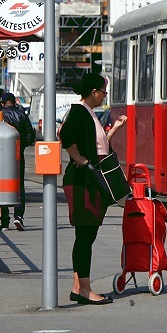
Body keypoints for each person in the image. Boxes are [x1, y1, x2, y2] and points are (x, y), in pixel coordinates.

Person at [60, 73, 127, 305]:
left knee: (85, 236)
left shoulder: (87, 112)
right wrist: (79, 160)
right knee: (86, 236)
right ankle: (85, 290)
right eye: (103, 92)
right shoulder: (80, 111)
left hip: (86, 180)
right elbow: (65, 136)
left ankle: (78, 287)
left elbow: (98, 144)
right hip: (82, 182)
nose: (104, 96)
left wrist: (114, 130)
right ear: (94, 93)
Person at [0, 92, 37, 230]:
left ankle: (4, 221)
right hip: (17, 155)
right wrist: (20, 145)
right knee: (19, 185)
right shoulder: (21, 116)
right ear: (14, 103)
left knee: (1, 186)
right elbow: (29, 136)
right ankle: (18, 216)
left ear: (2, 104)